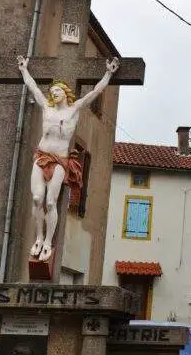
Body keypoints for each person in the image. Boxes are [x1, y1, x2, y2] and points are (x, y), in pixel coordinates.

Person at [17, 54, 119, 262]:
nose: (53, 93)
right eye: (52, 91)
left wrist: (108, 74)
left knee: (50, 202)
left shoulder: (74, 109)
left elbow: (95, 92)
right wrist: (23, 69)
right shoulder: (46, 107)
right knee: (36, 198)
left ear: (65, 93)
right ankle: (38, 237)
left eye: (57, 91)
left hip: (60, 161)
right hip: (41, 156)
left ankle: (48, 242)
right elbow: (33, 87)